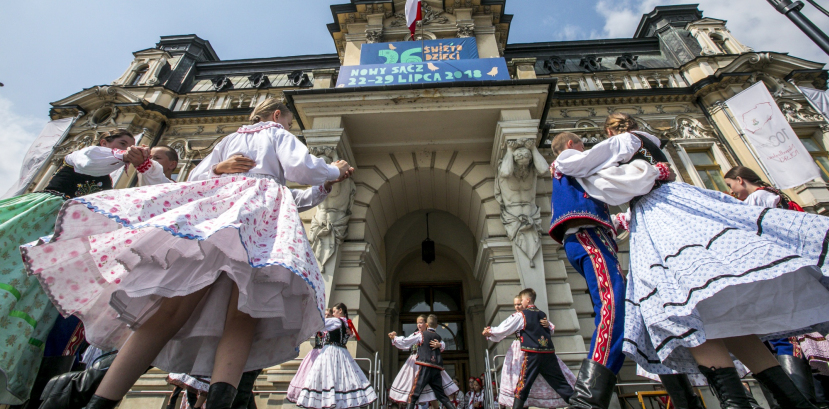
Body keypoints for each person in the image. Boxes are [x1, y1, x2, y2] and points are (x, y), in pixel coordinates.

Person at [21, 98, 354, 409]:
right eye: (290, 122)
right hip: (260, 217)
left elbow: (197, 175)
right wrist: (334, 171)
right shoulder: (275, 132)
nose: (290, 128)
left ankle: (101, 401)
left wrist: (222, 169)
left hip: (218, 212)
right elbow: (303, 168)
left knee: (170, 309)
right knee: (244, 314)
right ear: (278, 116)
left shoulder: (229, 139)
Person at [554, 112, 829, 409]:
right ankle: (795, 403)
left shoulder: (622, 141)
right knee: (722, 315)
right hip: (681, 205)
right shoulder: (648, 142)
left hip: (661, 215)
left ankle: (737, 404)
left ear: (610, 130)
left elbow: (594, 175)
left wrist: (598, 174)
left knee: (679, 303)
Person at [0, 129, 148, 407]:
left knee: (40, 291)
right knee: (15, 270)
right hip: (46, 216)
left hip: (68, 231)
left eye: (131, 145)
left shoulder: (108, 179)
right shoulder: (82, 155)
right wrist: (122, 155)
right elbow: (89, 160)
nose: (128, 148)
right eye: (122, 143)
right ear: (105, 143)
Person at [548, 131, 676, 409]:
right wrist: (634, 141)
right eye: (583, 144)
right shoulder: (568, 159)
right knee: (614, 308)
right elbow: (600, 156)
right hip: (588, 238)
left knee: (632, 310)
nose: (586, 149)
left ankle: (681, 392)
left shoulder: (580, 175)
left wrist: (622, 218)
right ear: (572, 145)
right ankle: (586, 401)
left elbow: (602, 198)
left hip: (593, 238)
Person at [725, 165, 829, 408]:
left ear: (740, 180)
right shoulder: (778, 195)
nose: (732, 192)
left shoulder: (756, 198)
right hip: (797, 268)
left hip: (776, 270)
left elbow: (750, 233)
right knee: (797, 339)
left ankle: (793, 401)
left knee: (782, 338)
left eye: (731, 186)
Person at [483, 288, 574, 409]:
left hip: (532, 353)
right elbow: (550, 329)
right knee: (560, 383)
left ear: (527, 300)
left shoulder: (522, 315)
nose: (520, 304)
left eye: (521, 301)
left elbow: (505, 328)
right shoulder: (542, 314)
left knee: (523, 384)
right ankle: (582, 405)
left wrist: (490, 331)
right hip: (548, 353)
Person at [295, 303, 376, 409]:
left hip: (332, 351)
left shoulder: (336, 321)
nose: (333, 314)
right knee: (341, 379)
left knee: (327, 377)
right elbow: (350, 334)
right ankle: (340, 401)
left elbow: (320, 324)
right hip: (343, 353)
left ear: (340, 310)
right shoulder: (346, 323)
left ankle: (328, 401)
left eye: (334, 311)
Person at [388, 315, 458, 405]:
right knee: (414, 388)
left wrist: (439, 345)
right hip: (417, 363)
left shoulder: (429, 335)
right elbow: (406, 342)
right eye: (417, 323)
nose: (418, 325)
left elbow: (442, 343)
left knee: (429, 394)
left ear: (427, 324)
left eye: (421, 322)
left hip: (426, 365)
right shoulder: (417, 334)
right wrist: (395, 338)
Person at [287, 308, 333, 403]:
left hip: (328, 355)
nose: (326, 316)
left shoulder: (333, 328)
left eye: (329, 315)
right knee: (310, 378)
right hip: (315, 354)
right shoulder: (317, 326)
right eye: (325, 315)